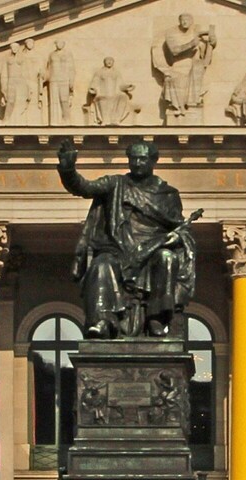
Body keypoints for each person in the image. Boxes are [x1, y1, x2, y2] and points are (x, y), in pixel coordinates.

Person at [55, 141, 198, 339]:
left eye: (143, 159)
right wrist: (67, 169)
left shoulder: (168, 195)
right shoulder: (115, 184)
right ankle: (103, 321)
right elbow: (83, 187)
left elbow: (180, 228)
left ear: (153, 161)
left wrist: (176, 237)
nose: (138, 163)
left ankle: (157, 317)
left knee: (167, 258)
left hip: (153, 251)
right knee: (101, 264)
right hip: (117, 249)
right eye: (133, 159)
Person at [152, 14, 215, 124]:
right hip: (177, 67)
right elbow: (174, 51)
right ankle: (178, 108)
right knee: (172, 79)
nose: (185, 22)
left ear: (192, 21)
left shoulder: (197, 32)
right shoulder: (171, 33)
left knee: (197, 68)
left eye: (188, 19)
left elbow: (205, 57)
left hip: (194, 67)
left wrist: (212, 43)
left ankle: (192, 106)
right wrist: (191, 44)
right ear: (179, 21)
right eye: (182, 20)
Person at [86, 57, 139, 125]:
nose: (109, 62)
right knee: (102, 98)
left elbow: (121, 85)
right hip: (103, 93)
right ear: (104, 62)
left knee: (123, 97)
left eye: (111, 61)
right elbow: (94, 83)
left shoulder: (116, 73)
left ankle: (116, 120)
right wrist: (93, 89)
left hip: (115, 94)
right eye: (107, 60)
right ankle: (105, 120)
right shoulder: (99, 72)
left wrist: (127, 87)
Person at [45, 40, 78, 125]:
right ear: (55, 44)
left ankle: (66, 118)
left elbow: (72, 69)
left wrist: (71, 81)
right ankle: (54, 121)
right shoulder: (52, 55)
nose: (59, 45)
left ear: (63, 44)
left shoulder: (68, 54)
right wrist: (43, 77)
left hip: (64, 79)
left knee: (64, 100)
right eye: (57, 43)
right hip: (53, 79)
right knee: (54, 101)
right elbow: (49, 69)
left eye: (61, 43)